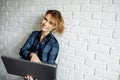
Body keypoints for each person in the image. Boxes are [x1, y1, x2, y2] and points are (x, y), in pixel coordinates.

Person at [19, 9, 64, 80]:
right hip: (30, 74)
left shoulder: (54, 44)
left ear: (54, 27)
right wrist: (32, 54)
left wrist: (36, 77)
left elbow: (49, 69)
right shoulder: (33, 35)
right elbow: (22, 50)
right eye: (45, 19)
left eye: (50, 23)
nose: (45, 23)